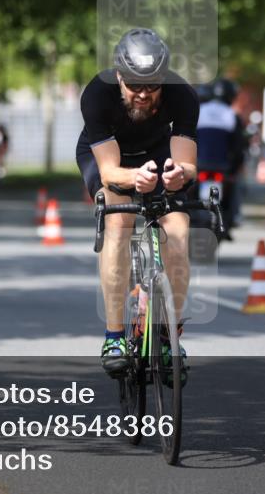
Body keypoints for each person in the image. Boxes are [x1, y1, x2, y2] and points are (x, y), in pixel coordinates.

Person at [76, 28, 198, 378]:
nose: (143, 94)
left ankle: (166, 336)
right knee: (119, 222)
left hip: (159, 154)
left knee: (179, 227)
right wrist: (135, 179)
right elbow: (111, 171)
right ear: (118, 76)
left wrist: (178, 175)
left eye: (152, 86)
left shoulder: (183, 95)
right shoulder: (97, 95)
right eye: (134, 86)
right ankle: (114, 337)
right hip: (109, 157)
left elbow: (187, 163)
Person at [196, 78, 246, 236]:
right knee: (236, 185)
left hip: (197, 166)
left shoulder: (199, 111)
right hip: (222, 168)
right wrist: (234, 169)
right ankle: (236, 215)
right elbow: (239, 147)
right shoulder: (232, 115)